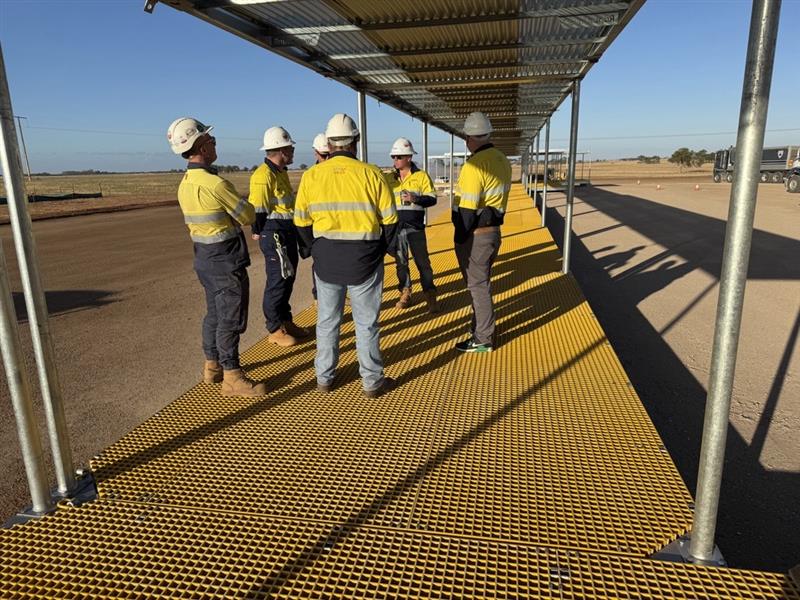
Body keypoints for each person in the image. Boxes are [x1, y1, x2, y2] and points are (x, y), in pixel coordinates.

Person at [294, 113, 398, 398]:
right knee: (367, 323)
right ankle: (372, 382)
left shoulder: (312, 176)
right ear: (357, 141)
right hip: (364, 258)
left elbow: (301, 222)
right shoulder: (372, 174)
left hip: (326, 260)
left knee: (327, 322)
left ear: (329, 142)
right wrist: (380, 251)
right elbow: (390, 221)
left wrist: (314, 250)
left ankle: (324, 378)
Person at [167, 117, 266, 396]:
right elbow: (246, 215)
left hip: (204, 258)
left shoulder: (184, 183)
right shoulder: (216, 184)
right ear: (201, 146)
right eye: (210, 140)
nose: (214, 143)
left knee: (214, 312)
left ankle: (212, 366)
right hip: (225, 259)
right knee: (230, 318)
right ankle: (232, 376)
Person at [452, 111, 511, 353]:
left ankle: (483, 337)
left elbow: (467, 211)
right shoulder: (502, 159)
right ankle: (479, 328)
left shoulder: (474, 165)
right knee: (482, 283)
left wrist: (459, 237)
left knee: (477, 285)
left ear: (469, 138)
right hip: (493, 231)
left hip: (476, 235)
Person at [248, 126, 310, 347]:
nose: (293, 151)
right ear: (281, 149)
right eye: (290, 147)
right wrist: (258, 231)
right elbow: (258, 208)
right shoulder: (263, 176)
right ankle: (274, 328)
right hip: (274, 233)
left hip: (286, 231)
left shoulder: (279, 172)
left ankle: (286, 320)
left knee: (288, 278)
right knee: (278, 279)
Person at [385, 137, 440, 313]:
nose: (395, 160)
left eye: (399, 157)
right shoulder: (389, 178)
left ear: (409, 157)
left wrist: (415, 198)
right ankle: (405, 293)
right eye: (393, 157)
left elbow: (432, 199)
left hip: (415, 227)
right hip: (397, 228)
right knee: (401, 263)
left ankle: (430, 295)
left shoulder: (421, 176)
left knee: (422, 262)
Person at [310, 133, 330, 304]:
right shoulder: (311, 175)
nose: (326, 159)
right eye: (324, 156)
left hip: (336, 231)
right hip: (320, 231)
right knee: (319, 267)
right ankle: (318, 297)